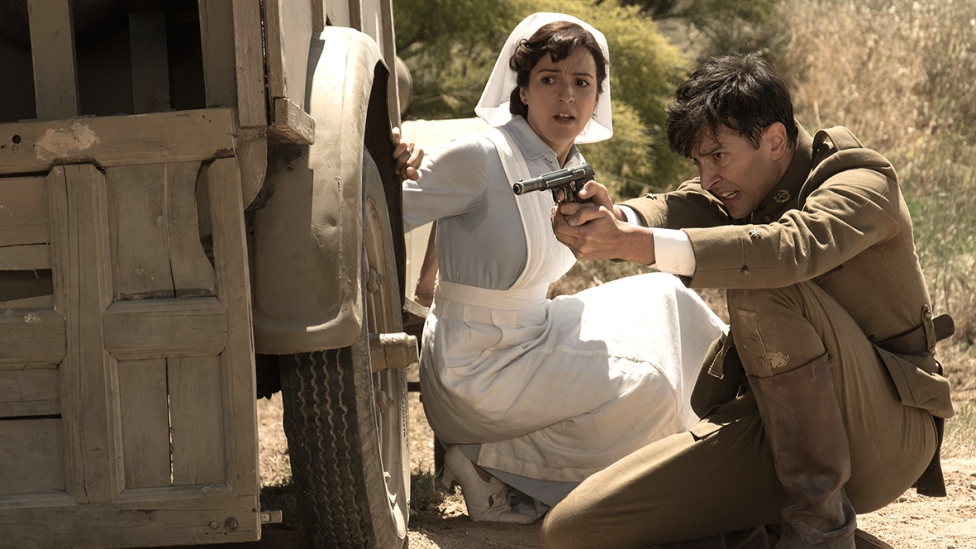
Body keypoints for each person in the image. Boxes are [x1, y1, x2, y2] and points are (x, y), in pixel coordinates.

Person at [543, 53, 955, 548]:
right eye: (699, 162)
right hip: (780, 427)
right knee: (576, 530)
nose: (708, 176)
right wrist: (617, 219)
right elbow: (682, 204)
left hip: (887, 433)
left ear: (776, 141)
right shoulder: (742, 188)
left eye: (718, 156)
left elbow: (789, 249)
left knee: (763, 279)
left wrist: (633, 244)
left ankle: (821, 534)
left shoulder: (862, 182)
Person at [391, 13, 727, 525]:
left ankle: (740, 429)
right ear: (523, 90)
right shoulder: (483, 154)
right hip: (474, 368)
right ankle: (490, 463)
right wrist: (391, 161)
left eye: (581, 83)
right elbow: (382, 208)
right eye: (549, 79)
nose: (566, 96)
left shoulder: (565, 165)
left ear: (596, 98)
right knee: (650, 385)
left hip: (532, 333)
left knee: (669, 299)